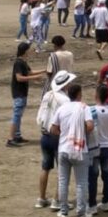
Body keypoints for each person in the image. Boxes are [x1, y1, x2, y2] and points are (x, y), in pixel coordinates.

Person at [49, 84, 94, 217]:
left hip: (64, 148)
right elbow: (90, 126)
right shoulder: (84, 107)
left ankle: (63, 212)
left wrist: (65, 134)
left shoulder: (62, 108)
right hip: (80, 149)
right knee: (81, 182)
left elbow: (52, 129)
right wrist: (78, 133)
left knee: (63, 181)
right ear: (79, 94)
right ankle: (81, 213)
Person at [35, 70, 75, 209]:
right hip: (58, 136)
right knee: (62, 170)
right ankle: (57, 200)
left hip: (45, 135)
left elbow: (40, 115)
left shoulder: (47, 94)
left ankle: (41, 198)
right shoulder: (65, 99)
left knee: (45, 167)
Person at [87, 85, 108, 214]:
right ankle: (107, 202)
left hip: (94, 147)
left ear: (97, 95)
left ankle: (92, 205)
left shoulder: (90, 110)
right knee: (107, 175)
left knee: (92, 177)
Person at [7, 42, 46, 147]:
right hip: (19, 92)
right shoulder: (18, 62)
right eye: (29, 49)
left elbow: (30, 72)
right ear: (25, 50)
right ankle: (10, 139)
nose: (31, 51)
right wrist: (35, 78)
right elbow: (19, 78)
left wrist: (45, 70)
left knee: (19, 115)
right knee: (16, 116)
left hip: (22, 92)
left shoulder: (23, 62)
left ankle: (17, 136)